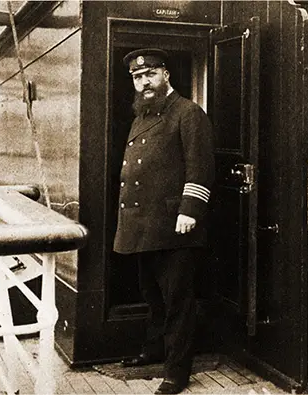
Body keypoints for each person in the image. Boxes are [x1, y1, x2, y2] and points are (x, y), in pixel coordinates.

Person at [113, 48, 215, 394]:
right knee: (152, 295)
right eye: (138, 78)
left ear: (165, 75)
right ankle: (155, 350)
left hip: (175, 225)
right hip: (143, 224)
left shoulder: (188, 113)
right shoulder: (141, 116)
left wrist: (190, 210)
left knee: (177, 302)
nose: (144, 82)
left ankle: (176, 372)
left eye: (150, 75)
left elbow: (200, 167)